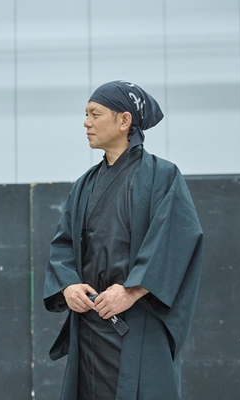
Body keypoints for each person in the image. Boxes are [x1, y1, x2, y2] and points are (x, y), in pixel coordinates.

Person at [44, 81, 203, 399]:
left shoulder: (162, 176)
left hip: (138, 320)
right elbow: (63, 246)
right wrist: (69, 286)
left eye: (95, 114)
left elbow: (177, 240)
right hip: (90, 324)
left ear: (124, 120)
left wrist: (132, 290)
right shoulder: (84, 185)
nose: (86, 123)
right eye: (85, 114)